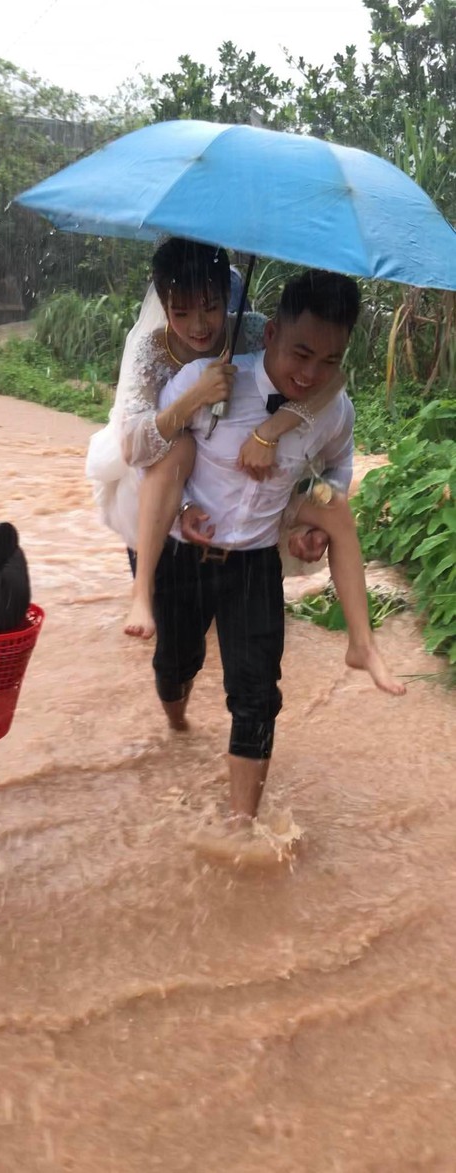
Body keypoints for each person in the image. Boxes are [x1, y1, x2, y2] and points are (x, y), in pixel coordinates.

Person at [154, 269, 405, 824]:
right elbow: (151, 463)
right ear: (269, 336)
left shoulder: (332, 409)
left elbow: (337, 470)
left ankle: (241, 826)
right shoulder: (209, 382)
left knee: (257, 695)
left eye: (330, 362)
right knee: (176, 663)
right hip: (184, 555)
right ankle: (175, 723)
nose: (311, 374)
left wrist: (313, 517)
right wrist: (178, 508)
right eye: (301, 354)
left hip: (254, 566)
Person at [117, 239, 342, 640]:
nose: (199, 326)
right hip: (159, 478)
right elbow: (134, 448)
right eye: (181, 312)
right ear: (164, 307)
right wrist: (193, 399)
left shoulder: (254, 331)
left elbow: (329, 382)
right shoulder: (152, 350)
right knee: (174, 650)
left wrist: (270, 431)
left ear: (228, 296)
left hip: (231, 482)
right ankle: (143, 592)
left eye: (212, 307)